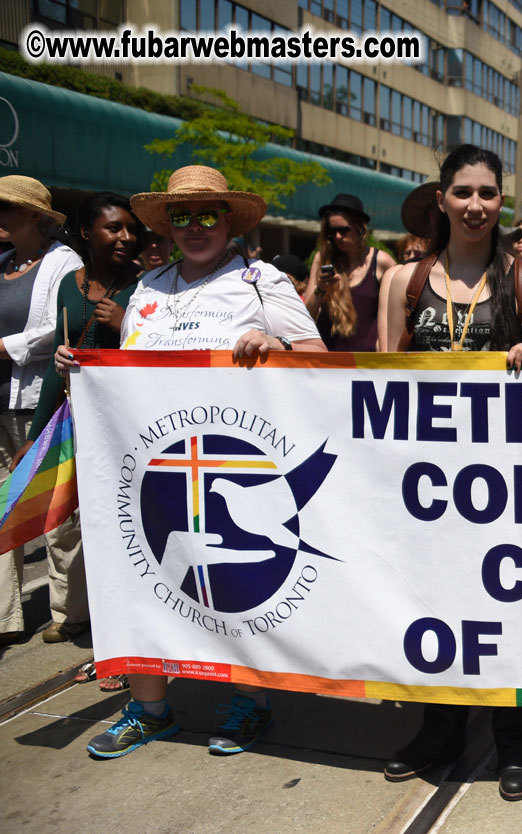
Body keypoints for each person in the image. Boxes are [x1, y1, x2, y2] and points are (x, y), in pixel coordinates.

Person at [57, 164, 326, 760]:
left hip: (234, 462)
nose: (196, 226)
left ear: (229, 219)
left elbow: (318, 357)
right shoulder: (150, 287)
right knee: (144, 577)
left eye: (209, 214)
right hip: (152, 468)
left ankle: (246, 702)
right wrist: (79, 368)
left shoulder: (261, 281)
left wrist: (276, 346)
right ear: (167, 224)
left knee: (231, 588)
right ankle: (149, 709)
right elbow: (128, 375)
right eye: (182, 216)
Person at [380, 145, 522, 801]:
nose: (476, 206)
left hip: (507, 485)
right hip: (427, 482)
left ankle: (519, 740)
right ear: (441, 199)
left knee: (512, 611)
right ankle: (440, 732)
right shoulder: (405, 282)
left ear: (500, 201)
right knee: (435, 609)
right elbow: (376, 379)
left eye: (488, 193)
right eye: (463, 193)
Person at [11, 193, 142, 656]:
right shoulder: (70, 284)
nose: (126, 237)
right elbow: (54, 368)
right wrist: (34, 435)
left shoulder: (146, 287)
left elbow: (162, 359)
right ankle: (69, 614)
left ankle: (118, 615)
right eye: (114, 228)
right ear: (88, 233)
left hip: (125, 427)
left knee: (116, 520)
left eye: (130, 228)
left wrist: (126, 324)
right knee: (61, 519)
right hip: (74, 420)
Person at [0, 175, 84, 646]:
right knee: (0, 507)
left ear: (34, 216)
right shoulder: (4, 264)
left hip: (41, 401)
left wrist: (4, 346)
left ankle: (67, 610)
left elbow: (56, 330)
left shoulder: (63, 263)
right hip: (0, 401)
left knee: (53, 510)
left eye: (5, 210)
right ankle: (5, 617)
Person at [305, 193, 396, 352]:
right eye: (332, 232)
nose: (337, 236)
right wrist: (320, 289)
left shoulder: (381, 261)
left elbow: (401, 309)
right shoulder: (323, 258)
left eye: (343, 230)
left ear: (359, 228)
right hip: (329, 361)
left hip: (368, 364)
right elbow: (305, 317)